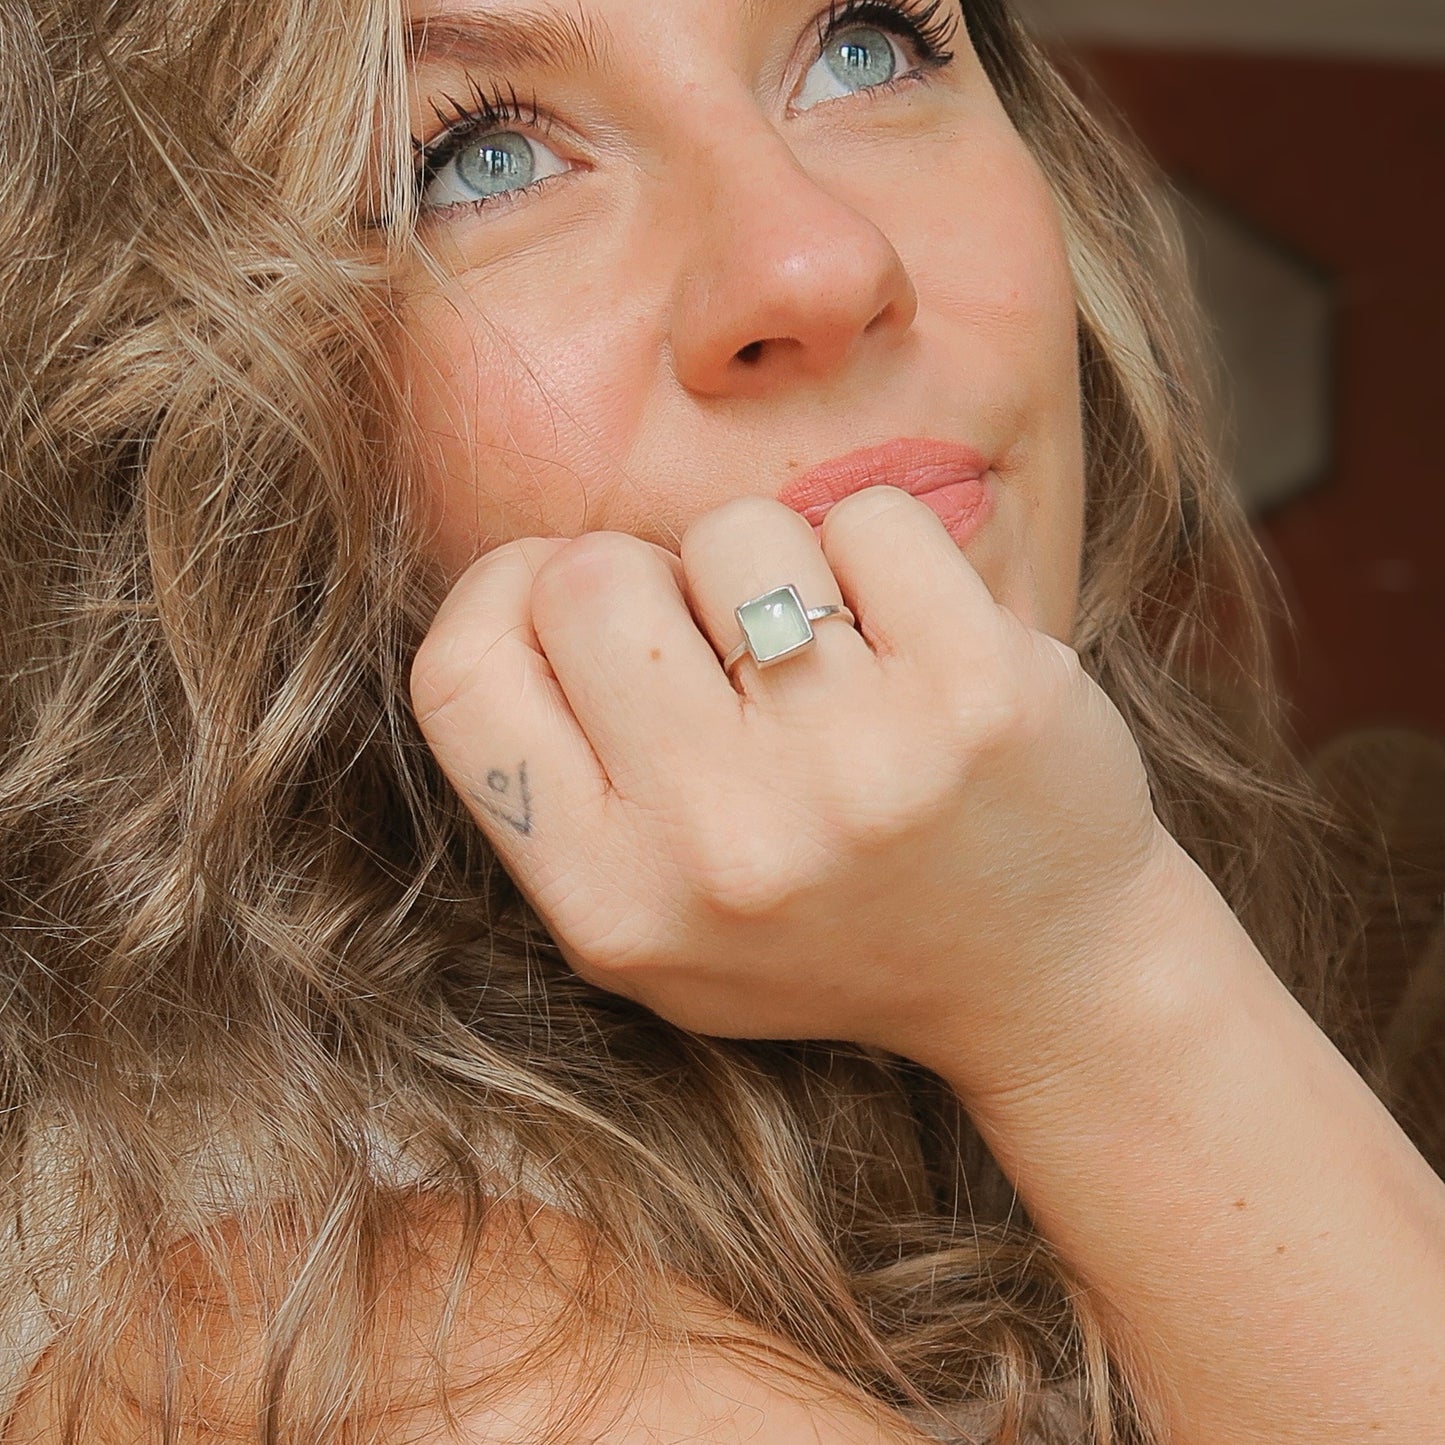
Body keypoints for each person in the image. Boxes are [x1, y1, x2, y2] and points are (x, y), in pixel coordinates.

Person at [1, 0, 1442, 1441]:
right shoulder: (391, 1356)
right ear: (177, 422)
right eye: (480, 157)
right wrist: (1094, 982)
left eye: (865, 45)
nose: (821, 261)